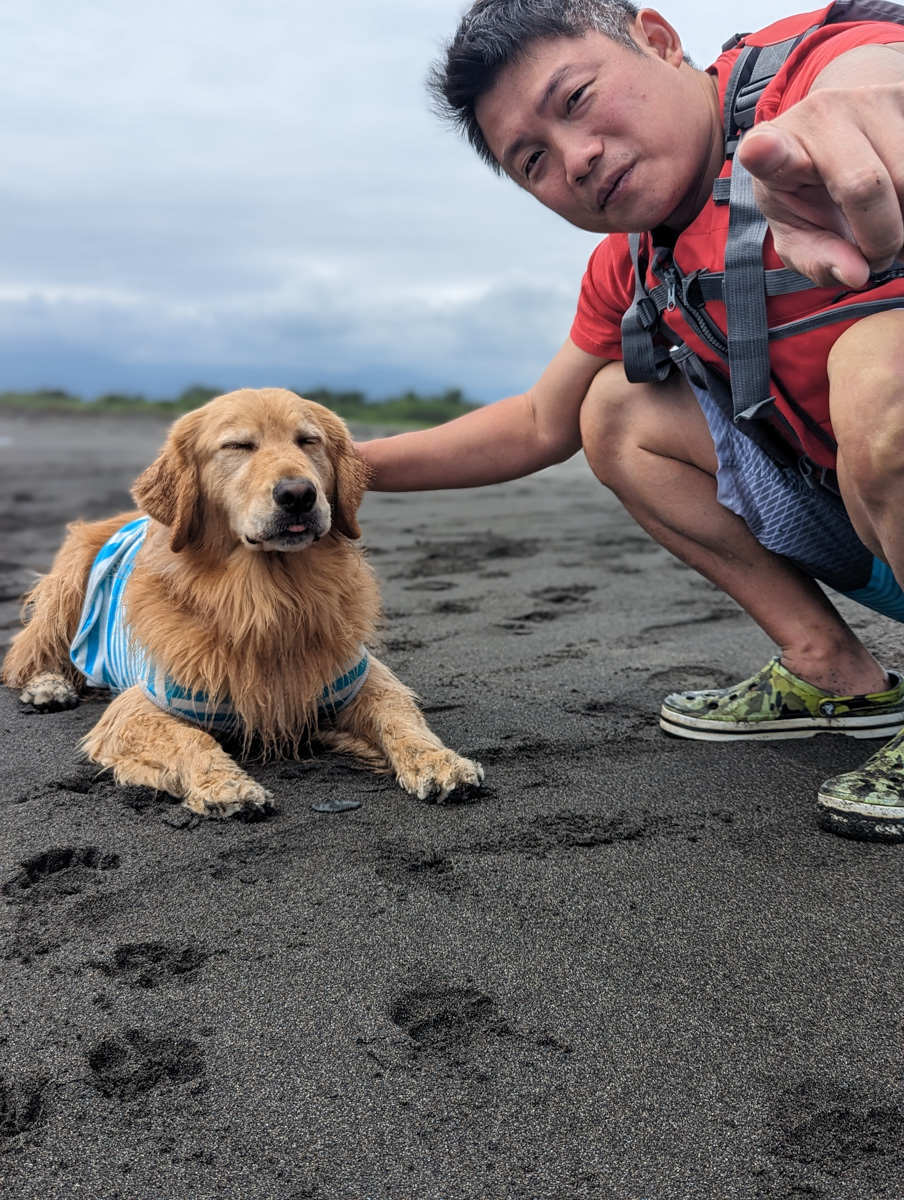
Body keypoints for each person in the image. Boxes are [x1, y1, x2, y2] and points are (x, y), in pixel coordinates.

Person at [357, 0, 904, 842]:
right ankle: (834, 676)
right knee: (612, 408)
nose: (574, 161)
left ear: (654, 39)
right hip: (871, 527)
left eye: (575, 99)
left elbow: (868, 73)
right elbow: (541, 421)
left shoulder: (804, 81)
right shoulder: (634, 264)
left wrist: (868, 104)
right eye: (532, 159)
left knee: (875, 369)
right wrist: (340, 466)